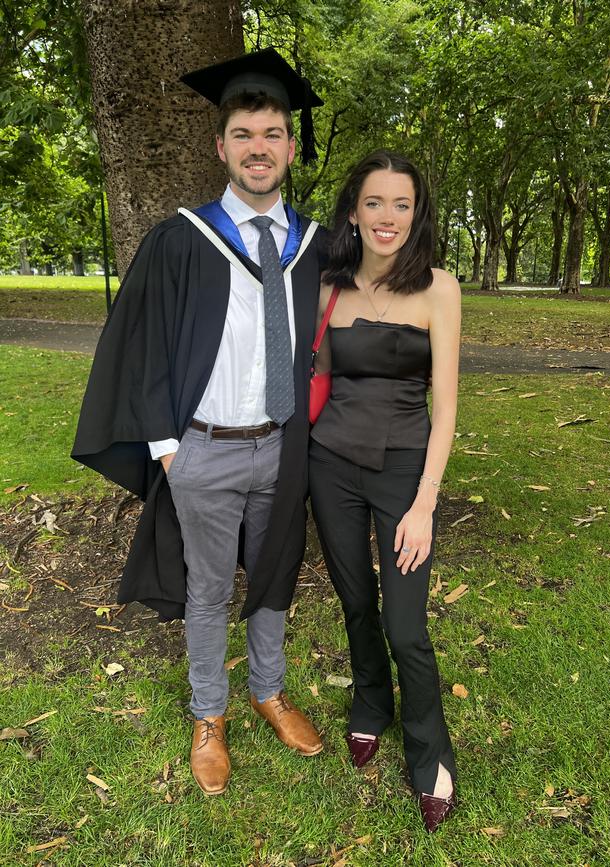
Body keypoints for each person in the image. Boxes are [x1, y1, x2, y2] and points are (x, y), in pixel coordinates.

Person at [72, 48, 330, 796]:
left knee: (277, 575)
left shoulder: (313, 246)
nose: (260, 147)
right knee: (210, 587)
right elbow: (145, 347)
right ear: (221, 146)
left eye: (274, 132)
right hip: (204, 452)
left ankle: (269, 689)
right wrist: (166, 448)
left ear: (290, 145)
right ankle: (209, 713)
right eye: (245, 133)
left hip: (285, 446)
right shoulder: (182, 238)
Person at [309, 151, 461, 833]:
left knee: (407, 625)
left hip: (404, 470)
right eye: (376, 202)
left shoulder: (439, 289)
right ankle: (370, 703)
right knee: (354, 599)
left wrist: (426, 501)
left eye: (402, 204)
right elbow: (311, 377)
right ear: (353, 211)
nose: (388, 217)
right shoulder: (327, 287)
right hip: (330, 465)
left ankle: (430, 749)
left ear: (416, 213)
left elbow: (448, 407)